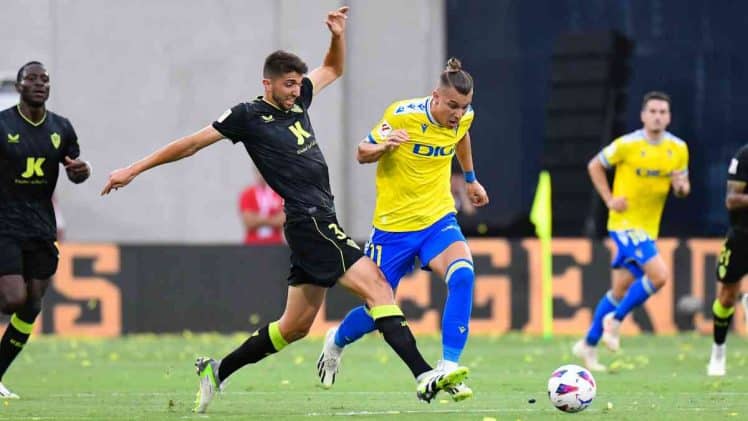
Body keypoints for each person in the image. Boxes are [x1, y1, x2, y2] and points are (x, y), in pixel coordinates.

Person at [101, 6, 468, 414]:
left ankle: (217, 371)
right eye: (289, 85)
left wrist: (337, 36)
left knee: (293, 328)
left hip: (317, 220)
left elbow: (332, 68)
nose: (296, 91)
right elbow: (190, 143)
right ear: (268, 83)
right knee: (379, 287)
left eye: (298, 84)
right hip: (310, 219)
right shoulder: (247, 116)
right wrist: (133, 169)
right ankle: (423, 376)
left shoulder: (299, 100)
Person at [316, 58, 489, 402]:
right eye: (452, 105)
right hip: (393, 230)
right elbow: (362, 152)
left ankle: (446, 368)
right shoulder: (402, 114)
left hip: (438, 220)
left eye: (464, 107)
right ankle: (336, 341)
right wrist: (384, 146)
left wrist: (470, 179)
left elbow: (461, 137)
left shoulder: (463, 118)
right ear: (435, 96)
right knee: (375, 311)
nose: (457, 114)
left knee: (463, 276)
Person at [573, 91, 690, 371]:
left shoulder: (678, 149)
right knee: (659, 276)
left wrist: (680, 187)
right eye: (653, 111)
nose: (658, 116)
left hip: (648, 228)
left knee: (619, 288)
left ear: (669, 117)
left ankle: (587, 344)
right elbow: (594, 165)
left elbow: (684, 188)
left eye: (663, 112)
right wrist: (610, 199)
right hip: (624, 224)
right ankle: (615, 322)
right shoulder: (627, 145)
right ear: (643, 115)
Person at [0, 61, 91, 398]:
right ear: (19, 87)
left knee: (32, 304)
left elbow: (76, 168)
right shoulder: (3, 123)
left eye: (44, 79)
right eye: (31, 79)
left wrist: (81, 170)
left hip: (40, 225)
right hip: (5, 222)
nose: (39, 84)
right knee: (12, 299)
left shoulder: (61, 128)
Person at [707, 144, 748, 376]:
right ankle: (718, 351)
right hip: (742, 235)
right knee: (726, 297)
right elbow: (731, 199)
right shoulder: (744, 156)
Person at [239, 169, 284, 245]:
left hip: (276, 243)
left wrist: (258, 218)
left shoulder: (279, 193)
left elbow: (282, 221)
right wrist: (272, 218)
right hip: (252, 244)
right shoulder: (247, 194)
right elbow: (249, 222)